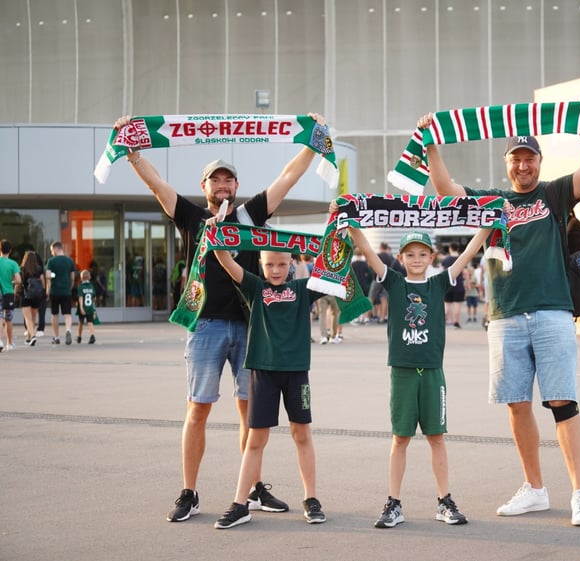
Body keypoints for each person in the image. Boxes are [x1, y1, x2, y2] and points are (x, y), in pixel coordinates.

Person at [113, 112, 327, 522]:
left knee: (252, 414)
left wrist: (312, 141)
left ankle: (252, 490)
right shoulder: (191, 218)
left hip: (250, 327)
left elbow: (287, 178)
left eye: (228, 179)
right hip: (206, 325)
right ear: (204, 187)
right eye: (216, 179)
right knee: (198, 409)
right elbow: (157, 185)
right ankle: (189, 492)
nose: (222, 185)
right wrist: (133, 152)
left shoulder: (249, 216)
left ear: (236, 186)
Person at [419, 99, 580, 527]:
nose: (523, 166)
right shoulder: (491, 202)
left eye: (530, 158)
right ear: (507, 163)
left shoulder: (554, 194)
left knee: (563, 402)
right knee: (517, 404)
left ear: (540, 161)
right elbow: (445, 189)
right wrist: (430, 143)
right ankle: (535, 489)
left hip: (553, 312)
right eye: (516, 159)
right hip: (505, 315)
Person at [346, 224, 490, 529]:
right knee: (400, 438)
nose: (416, 259)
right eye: (410, 254)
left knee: (436, 437)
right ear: (401, 257)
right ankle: (393, 503)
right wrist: (352, 225)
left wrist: (487, 226)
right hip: (403, 372)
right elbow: (369, 252)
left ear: (431, 257)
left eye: (422, 254)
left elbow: (467, 254)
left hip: (432, 371)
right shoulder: (395, 282)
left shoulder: (438, 283)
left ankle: (444, 501)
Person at [207, 226, 327, 529]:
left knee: (302, 433)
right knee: (256, 438)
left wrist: (339, 230)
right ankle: (240, 503)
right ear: (261, 264)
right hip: (262, 372)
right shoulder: (254, 287)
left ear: (291, 263)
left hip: (296, 372)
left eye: (282, 264)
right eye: (270, 264)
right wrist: (215, 232)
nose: (276, 270)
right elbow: (224, 258)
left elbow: (335, 268)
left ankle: (311, 499)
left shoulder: (303, 288)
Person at [45, 241, 76, 346]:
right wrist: (69, 287)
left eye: (51, 250)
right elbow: (73, 278)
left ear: (55, 249)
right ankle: (68, 330)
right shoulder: (70, 261)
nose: (51, 253)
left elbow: (48, 277)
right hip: (66, 291)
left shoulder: (51, 261)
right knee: (67, 314)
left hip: (55, 291)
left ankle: (56, 337)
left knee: (55, 314)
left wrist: (47, 291)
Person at [18, 250, 45, 347]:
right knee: (33, 318)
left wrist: (16, 292)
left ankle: (33, 336)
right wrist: (43, 291)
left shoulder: (22, 269)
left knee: (27, 318)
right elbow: (42, 281)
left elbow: (19, 282)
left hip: (26, 295)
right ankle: (28, 338)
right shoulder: (39, 269)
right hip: (36, 296)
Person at [0, 240, 22, 352]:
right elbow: (18, 280)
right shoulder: (13, 264)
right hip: (8, 292)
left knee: (0, 317)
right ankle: (9, 343)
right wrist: (11, 281)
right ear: (10, 251)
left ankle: (0, 340)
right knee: (8, 318)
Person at [441, 243, 465, 328]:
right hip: (459, 284)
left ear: (450, 248)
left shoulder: (446, 259)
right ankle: (456, 322)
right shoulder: (461, 258)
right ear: (457, 248)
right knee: (457, 304)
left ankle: (445, 320)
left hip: (448, 284)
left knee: (447, 304)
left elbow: (442, 272)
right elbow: (465, 272)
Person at [75, 269, 99, 344]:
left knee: (81, 322)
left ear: (81, 278)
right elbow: (94, 298)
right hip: (90, 307)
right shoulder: (91, 286)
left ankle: (79, 337)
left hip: (83, 307)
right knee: (90, 322)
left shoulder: (81, 287)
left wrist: (81, 307)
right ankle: (92, 335)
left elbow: (80, 298)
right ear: (89, 277)